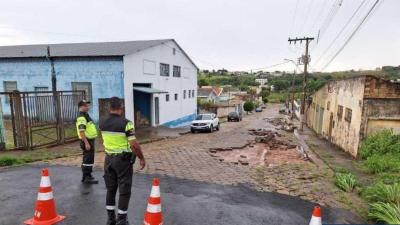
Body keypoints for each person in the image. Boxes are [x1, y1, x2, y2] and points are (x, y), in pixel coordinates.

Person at [99, 97, 146, 225]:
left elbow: (103, 140)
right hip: (122, 161)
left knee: (111, 189)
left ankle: (110, 219)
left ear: (110, 107)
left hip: (108, 159)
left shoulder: (102, 122)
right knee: (124, 190)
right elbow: (134, 145)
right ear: (121, 107)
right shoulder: (126, 123)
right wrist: (141, 158)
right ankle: (122, 220)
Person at [75, 99, 99, 184]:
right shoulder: (82, 117)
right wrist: (86, 143)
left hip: (89, 140)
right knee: (87, 159)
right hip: (87, 141)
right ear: (81, 107)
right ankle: (86, 177)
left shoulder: (86, 115)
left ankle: (87, 175)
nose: (87, 107)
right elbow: (81, 131)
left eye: (87, 105)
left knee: (89, 158)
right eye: (86, 105)